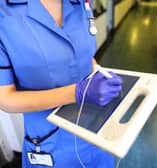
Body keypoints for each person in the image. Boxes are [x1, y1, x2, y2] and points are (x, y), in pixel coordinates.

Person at [0, 0, 122, 168]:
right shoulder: (4, 12)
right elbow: (5, 98)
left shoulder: (80, 3)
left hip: (95, 131)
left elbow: (83, 54)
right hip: (51, 140)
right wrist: (77, 93)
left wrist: (98, 70)